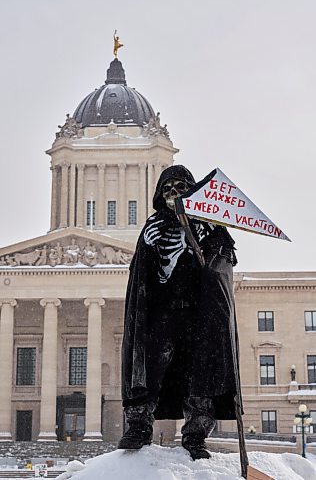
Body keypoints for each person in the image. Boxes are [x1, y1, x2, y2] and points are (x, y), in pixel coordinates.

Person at [118, 165, 242, 460]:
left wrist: (206, 256)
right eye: (168, 188)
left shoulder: (211, 225)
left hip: (201, 315)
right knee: (149, 367)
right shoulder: (152, 228)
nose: (174, 193)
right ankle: (138, 425)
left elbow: (224, 267)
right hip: (163, 313)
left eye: (181, 187)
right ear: (160, 195)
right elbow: (141, 276)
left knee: (201, 373)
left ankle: (196, 434)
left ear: (193, 191)